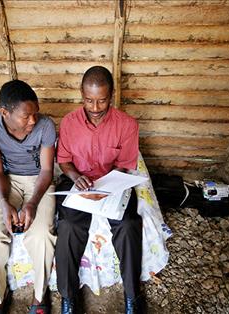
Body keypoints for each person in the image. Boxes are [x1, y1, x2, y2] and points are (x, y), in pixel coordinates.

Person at [55, 66, 144, 314]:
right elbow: (63, 160)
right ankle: (68, 297)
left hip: (112, 182)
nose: (95, 108)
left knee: (128, 225)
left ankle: (132, 296)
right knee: (69, 226)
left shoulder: (127, 125)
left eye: (102, 101)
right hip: (77, 183)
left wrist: (108, 188)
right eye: (88, 100)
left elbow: (125, 166)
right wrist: (76, 177)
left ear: (112, 95)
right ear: (81, 94)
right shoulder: (70, 123)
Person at [0, 80, 56, 314]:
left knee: (42, 234)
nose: (33, 121)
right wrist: (3, 203)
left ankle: (39, 295)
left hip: (38, 181)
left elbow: (47, 171)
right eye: (26, 116)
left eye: (36, 113)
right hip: (7, 180)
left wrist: (32, 202)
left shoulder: (46, 126)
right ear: (4, 112)